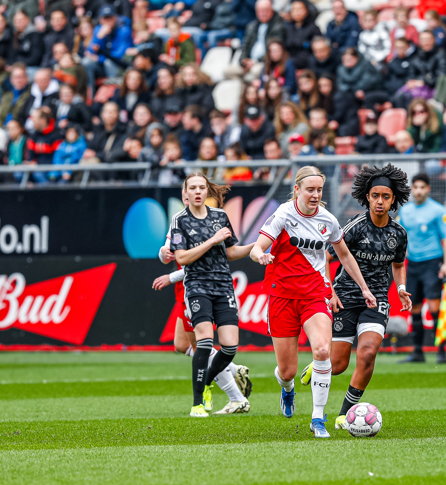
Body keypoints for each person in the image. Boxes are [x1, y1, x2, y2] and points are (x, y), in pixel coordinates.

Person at [250, 166, 377, 438]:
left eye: (319, 190)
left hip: (315, 295)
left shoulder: (328, 220)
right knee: (288, 371)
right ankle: (287, 389)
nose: (315, 195)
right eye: (310, 190)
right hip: (282, 297)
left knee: (321, 350)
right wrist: (260, 254)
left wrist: (364, 288)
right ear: (297, 190)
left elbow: (344, 255)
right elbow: (257, 246)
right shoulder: (284, 213)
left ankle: (318, 418)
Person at [299, 164, 412, 429]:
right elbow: (326, 258)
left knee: (368, 352)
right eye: (375, 196)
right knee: (338, 364)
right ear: (367, 197)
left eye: (385, 197)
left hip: (377, 299)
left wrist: (400, 288)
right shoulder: (355, 227)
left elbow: (398, 265)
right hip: (345, 297)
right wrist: (330, 291)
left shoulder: (399, 233)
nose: (380, 201)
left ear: (393, 199)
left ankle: (344, 414)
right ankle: (317, 365)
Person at [171, 172, 257, 417]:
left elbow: (231, 252)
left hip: (223, 286)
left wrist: (259, 244)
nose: (198, 192)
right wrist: (212, 240)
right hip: (197, 286)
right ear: (186, 193)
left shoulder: (220, 216)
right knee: (205, 342)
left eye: (202, 187)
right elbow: (181, 258)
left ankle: (208, 383)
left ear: (207, 191)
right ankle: (197, 404)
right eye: (193, 188)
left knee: (230, 348)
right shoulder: (179, 220)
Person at [397, 173, 446, 364]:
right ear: (411, 189)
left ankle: (442, 351)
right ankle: (417, 352)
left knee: (434, 307)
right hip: (412, 264)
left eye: (422, 187)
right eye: (416, 187)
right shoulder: (405, 211)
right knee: (414, 308)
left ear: (428, 189)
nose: (419, 191)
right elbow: (399, 237)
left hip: (432, 263)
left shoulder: (438, 211)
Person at [82, 5, 133, 93]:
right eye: (105, 18)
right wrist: (99, 37)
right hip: (102, 65)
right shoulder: (98, 30)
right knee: (86, 62)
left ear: (115, 18)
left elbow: (119, 55)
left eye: (110, 18)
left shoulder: (124, 30)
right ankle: (91, 94)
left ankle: (114, 92)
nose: (107, 21)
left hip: (119, 65)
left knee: (108, 62)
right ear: (100, 19)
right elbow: (90, 52)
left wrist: (100, 58)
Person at [285, 0, 320, 69]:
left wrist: (304, 43)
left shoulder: (313, 28)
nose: (297, 12)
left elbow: (316, 46)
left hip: (307, 60)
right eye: (294, 9)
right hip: (290, 58)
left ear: (306, 11)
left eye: (300, 9)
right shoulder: (288, 28)